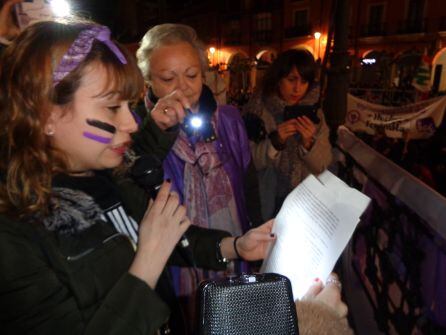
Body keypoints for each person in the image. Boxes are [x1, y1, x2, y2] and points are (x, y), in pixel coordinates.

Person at [0, 20, 276, 335]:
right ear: (47, 114)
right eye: (111, 107)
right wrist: (146, 262)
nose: (131, 123)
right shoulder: (14, 233)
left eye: (127, 106)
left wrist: (236, 246)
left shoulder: (111, 177)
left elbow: (170, 238)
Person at [135, 23, 264, 330]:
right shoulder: (136, 129)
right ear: (148, 81)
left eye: (191, 75)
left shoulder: (230, 120)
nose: (183, 87)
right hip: (177, 265)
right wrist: (156, 133)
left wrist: (255, 237)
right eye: (168, 78)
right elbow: (134, 193)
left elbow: (249, 186)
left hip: (234, 251)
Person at [243, 49, 333, 221]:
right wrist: (275, 142)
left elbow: (323, 165)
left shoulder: (315, 114)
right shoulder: (257, 110)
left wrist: (308, 145)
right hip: (267, 201)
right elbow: (247, 161)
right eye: (291, 80)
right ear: (278, 79)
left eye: (304, 81)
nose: (297, 88)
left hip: (304, 205)